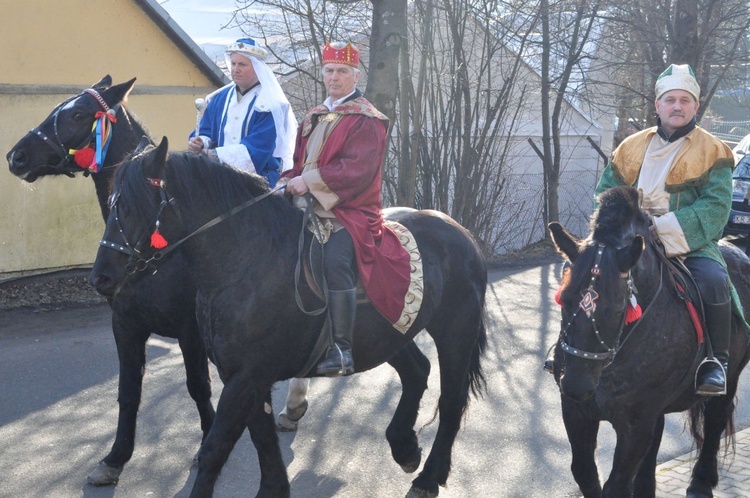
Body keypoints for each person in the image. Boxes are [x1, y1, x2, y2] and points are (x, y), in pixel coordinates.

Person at [278, 42, 420, 377]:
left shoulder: (367, 119)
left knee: (333, 261)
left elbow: (356, 171)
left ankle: (341, 349)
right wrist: (285, 181)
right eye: (329, 70)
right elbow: (298, 164)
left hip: (349, 212)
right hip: (309, 207)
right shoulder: (314, 116)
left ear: (356, 75)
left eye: (342, 71)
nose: (334, 77)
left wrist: (308, 182)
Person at [595, 63, 735, 395]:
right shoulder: (630, 146)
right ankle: (569, 347)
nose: (677, 106)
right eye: (670, 100)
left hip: (689, 242)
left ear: (695, 106)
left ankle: (716, 362)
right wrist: (608, 233)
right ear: (657, 105)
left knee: (715, 280)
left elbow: (715, 206)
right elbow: (605, 195)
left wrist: (663, 230)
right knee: (583, 271)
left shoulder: (715, 151)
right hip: (627, 240)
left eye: (684, 101)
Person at [188, 37, 297, 187]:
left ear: (257, 67)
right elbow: (205, 130)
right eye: (233, 63)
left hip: (256, 182)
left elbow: (256, 153)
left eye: (242, 64)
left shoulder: (270, 105)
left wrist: (211, 154)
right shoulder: (220, 97)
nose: (235, 69)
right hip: (217, 176)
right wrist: (200, 142)